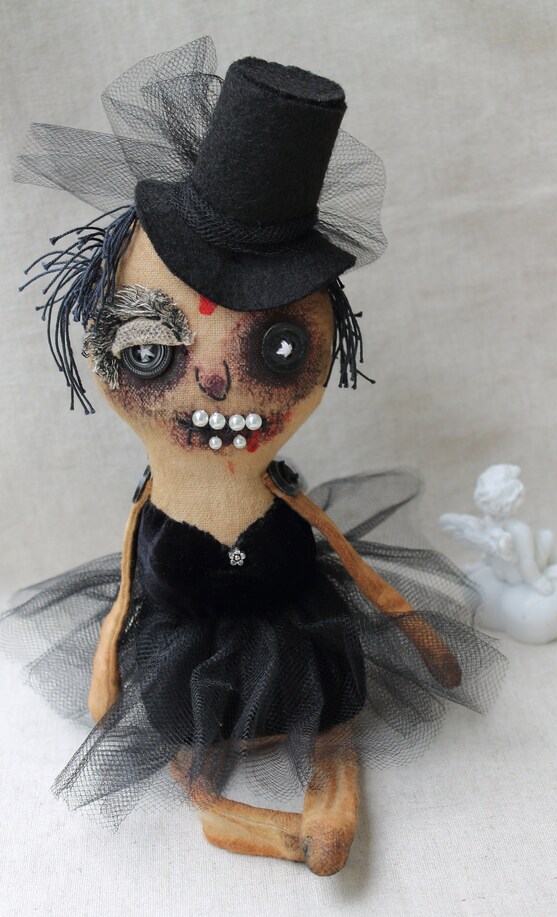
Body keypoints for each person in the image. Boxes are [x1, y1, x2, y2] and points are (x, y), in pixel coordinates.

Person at [1, 38, 506, 876]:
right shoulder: (157, 501)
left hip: (293, 624)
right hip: (188, 643)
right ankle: (236, 818)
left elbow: (352, 565)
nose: (212, 380)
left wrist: (419, 632)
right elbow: (126, 592)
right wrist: (106, 678)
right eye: (151, 351)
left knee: (332, 721)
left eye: (276, 348)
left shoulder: (280, 490)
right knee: (188, 752)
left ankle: (328, 793)